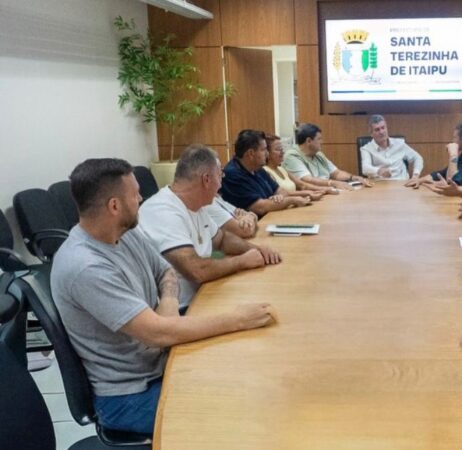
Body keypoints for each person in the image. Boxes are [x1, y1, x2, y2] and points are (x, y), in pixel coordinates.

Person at [51, 158, 277, 435]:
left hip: (160, 360)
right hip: (129, 396)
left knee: (246, 371)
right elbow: (157, 334)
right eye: (135, 194)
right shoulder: (86, 267)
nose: (141, 198)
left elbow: (166, 273)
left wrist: (167, 311)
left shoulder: (125, 232)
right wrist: (239, 319)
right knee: (239, 410)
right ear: (114, 206)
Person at [139, 145, 282, 308]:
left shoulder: (196, 204)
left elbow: (222, 240)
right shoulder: (163, 211)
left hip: (206, 293)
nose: (221, 184)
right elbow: (196, 270)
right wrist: (242, 261)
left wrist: (256, 250)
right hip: (183, 308)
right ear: (206, 179)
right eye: (220, 175)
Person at [220, 130, 318, 216]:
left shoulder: (257, 168)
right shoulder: (232, 174)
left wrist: (280, 197)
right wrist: (292, 200)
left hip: (273, 217)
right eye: (263, 150)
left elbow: (280, 190)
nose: (267, 153)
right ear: (251, 153)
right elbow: (260, 207)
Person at [283, 123, 373, 190]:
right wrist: (333, 183)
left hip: (326, 192)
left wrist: (353, 177)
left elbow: (336, 173)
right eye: (319, 139)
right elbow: (307, 180)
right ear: (309, 141)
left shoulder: (318, 154)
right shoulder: (292, 156)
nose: (322, 142)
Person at [406, 121, 462, 188]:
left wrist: (453, 155)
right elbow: (442, 173)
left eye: (455, 138)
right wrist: (420, 180)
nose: (452, 141)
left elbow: (453, 182)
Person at [263, 133, 337, 196]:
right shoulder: (265, 172)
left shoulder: (282, 169)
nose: (282, 152)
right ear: (267, 153)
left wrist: (326, 189)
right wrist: (308, 193)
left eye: (282, 149)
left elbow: (302, 185)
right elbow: (281, 194)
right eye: (278, 149)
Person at [359, 114, 424, 182]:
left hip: (402, 183)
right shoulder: (366, 149)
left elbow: (417, 158)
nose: (381, 132)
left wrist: (415, 176)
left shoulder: (399, 143)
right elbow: (365, 168)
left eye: (383, 128)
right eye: (377, 130)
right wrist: (379, 171)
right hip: (380, 184)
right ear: (371, 134)